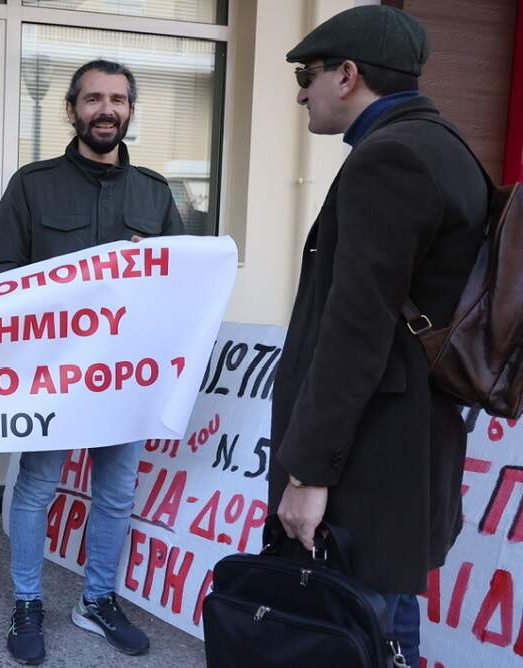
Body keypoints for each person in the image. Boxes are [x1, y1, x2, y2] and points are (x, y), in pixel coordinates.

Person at [269, 7, 488, 667]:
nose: (302, 94)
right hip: (403, 450)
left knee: (348, 630)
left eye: (307, 76)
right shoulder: (442, 144)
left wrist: (309, 474)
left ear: (348, 75)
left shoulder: (389, 157)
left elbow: (355, 332)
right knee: (385, 626)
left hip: (367, 462)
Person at [0, 59, 184, 665]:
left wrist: (158, 267)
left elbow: (181, 282)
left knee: (115, 493)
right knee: (38, 486)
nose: (106, 109)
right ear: (72, 110)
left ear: (130, 110)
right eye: (93, 98)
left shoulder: (155, 192)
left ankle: (96, 601)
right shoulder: (33, 184)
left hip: (125, 374)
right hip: (54, 371)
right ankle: (27, 602)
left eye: (118, 99)